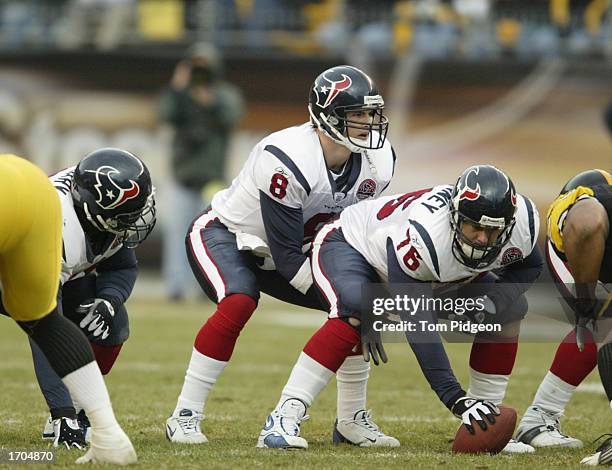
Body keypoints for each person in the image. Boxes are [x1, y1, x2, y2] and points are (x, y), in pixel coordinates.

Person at [165, 65, 398, 447]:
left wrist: (362, 300)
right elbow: (288, 257)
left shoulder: (379, 162)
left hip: (292, 250)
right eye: (356, 114)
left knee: (357, 305)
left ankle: (351, 420)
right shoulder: (288, 157)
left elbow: (353, 237)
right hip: (228, 236)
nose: (367, 123)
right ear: (326, 116)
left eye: (371, 114)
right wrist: (345, 299)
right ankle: (185, 415)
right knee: (240, 300)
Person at [258, 165, 543, 452]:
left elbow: (529, 267)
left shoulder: (523, 224)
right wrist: (454, 397)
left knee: (509, 310)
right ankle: (283, 416)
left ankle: (484, 418)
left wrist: (493, 301)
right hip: (352, 245)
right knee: (355, 310)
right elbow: (420, 326)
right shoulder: (427, 235)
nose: (483, 239)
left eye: (493, 230)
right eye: (475, 228)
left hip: (429, 275)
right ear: (455, 216)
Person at [0, 154, 136, 465]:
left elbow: (46, 325)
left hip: (26, 198)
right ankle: (78, 419)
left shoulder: (80, 215)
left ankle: (79, 416)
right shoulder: (61, 230)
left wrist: (109, 299)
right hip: (25, 205)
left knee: (93, 322)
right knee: (44, 319)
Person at [21, 148, 156, 449]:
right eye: (128, 215)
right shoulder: (56, 225)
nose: (138, 219)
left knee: (113, 325)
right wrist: (61, 415)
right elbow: (44, 326)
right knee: (50, 325)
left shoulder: (93, 206)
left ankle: (79, 407)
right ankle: (65, 417)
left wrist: (109, 299)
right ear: (95, 210)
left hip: (52, 269)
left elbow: (122, 265)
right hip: (13, 269)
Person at [514, 169, 612, 456]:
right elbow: (585, 226)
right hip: (574, 245)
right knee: (599, 326)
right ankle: (539, 418)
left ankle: (538, 419)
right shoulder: (588, 218)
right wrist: (583, 304)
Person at [158, 42, 244, 301]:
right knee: (176, 235)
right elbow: (163, 114)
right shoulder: (180, 95)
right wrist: (177, 88)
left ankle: (206, 287)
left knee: (210, 237)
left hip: (212, 177)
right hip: (182, 176)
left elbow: (233, 115)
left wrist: (211, 102)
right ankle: (175, 287)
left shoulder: (225, 94)